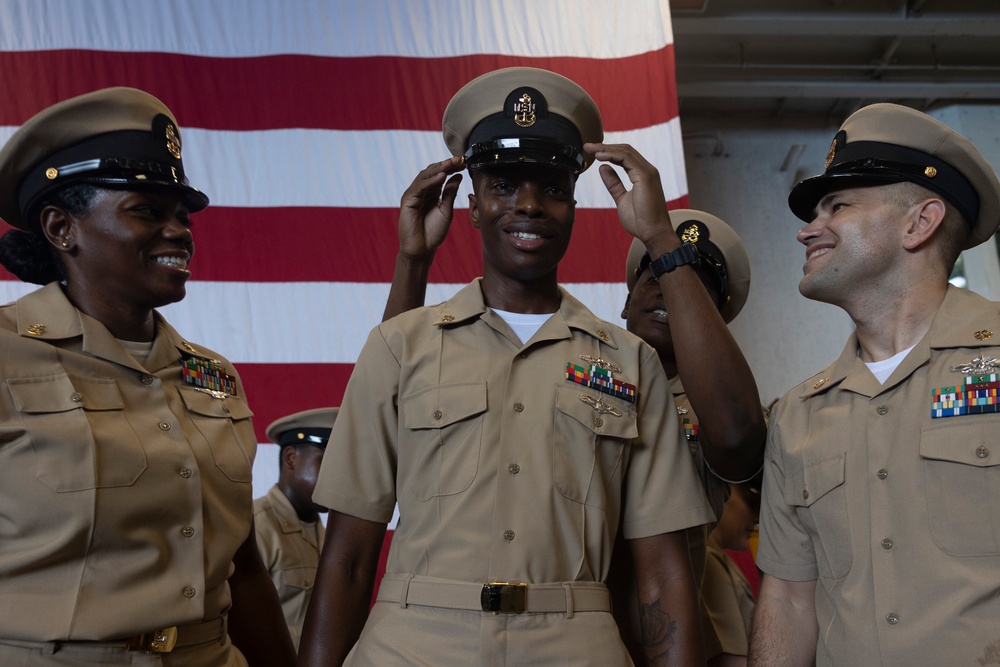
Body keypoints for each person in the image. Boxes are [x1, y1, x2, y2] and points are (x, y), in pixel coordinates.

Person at [298, 67, 715, 666]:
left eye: (551, 187)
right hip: (413, 647)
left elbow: (661, 573)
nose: (528, 205)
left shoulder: (632, 363)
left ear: (573, 204)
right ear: (471, 205)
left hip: (575, 645)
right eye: (503, 185)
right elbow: (348, 557)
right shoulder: (399, 346)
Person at [0, 88, 295, 666]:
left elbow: (245, 567)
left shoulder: (213, 375)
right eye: (147, 210)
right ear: (62, 227)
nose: (180, 231)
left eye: (182, 217)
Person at [748, 103, 1000, 666]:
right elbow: (789, 599)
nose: (808, 229)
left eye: (837, 206)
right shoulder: (798, 414)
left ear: (920, 223)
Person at [614, 207, 765, 662]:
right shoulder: (577, 379)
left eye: (695, 289)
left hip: (663, 643)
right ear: (626, 300)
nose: (667, 290)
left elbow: (739, 440)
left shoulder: (723, 414)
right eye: (654, 275)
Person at [254, 407, 337, 651]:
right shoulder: (255, 528)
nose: (340, 478)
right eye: (328, 463)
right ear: (291, 458)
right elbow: (238, 629)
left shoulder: (324, 532)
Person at [702, 484, 761, 667]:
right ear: (722, 494)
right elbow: (731, 660)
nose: (756, 517)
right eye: (750, 503)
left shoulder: (719, 558)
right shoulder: (709, 560)